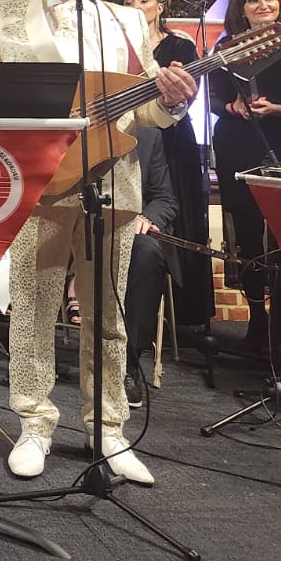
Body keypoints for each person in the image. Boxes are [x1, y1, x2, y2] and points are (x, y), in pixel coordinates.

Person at [0, 0, 195, 485]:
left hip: (113, 181)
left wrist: (173, 100)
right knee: (33, 306)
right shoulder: (4, 15)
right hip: (37, 182)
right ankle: (34, 422)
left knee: (107, 312)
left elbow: (145, 106)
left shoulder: (121, 18)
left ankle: (108, 427)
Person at [210, 0, 281, 354]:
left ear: (280, 4)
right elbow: (213, 101)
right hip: (237, 144)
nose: (263, 6)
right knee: (248, 234)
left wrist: (280, 109)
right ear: (241, 9)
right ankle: (256, 322)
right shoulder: (224, 49)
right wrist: (232, 106)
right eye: (253, 0)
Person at [122, 0, 210, 328]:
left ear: (159, 7)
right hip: (130, 134)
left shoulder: (180, 45)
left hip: (172, 137)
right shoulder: (117, 47)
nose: (136, 5)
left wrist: (174, 93)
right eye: (129, 1)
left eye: (143, 0)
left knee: (174, 209)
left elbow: (189, 93)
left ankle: (183, 314)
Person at [119, 127, 179, 409]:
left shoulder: (147, 136)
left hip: (128, 231)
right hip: (76, 226)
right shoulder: (75, 127)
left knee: (148, 254)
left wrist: (147, 218)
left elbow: (166, 198)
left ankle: (128, 364)